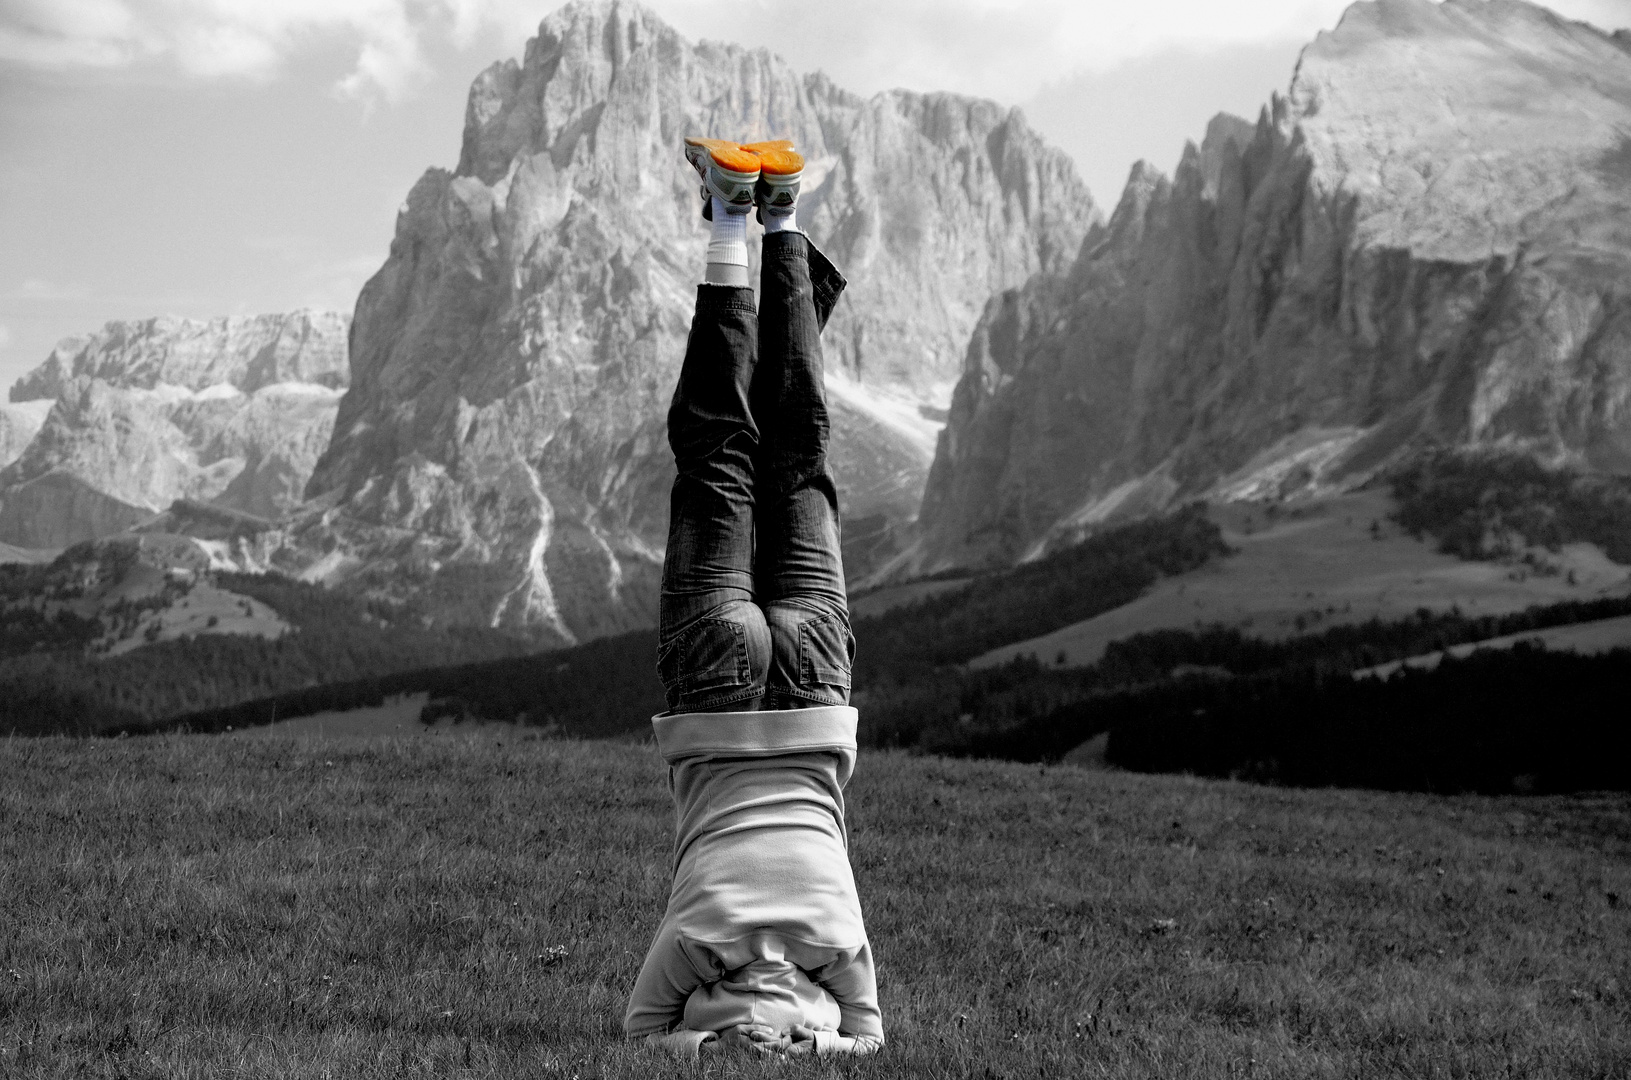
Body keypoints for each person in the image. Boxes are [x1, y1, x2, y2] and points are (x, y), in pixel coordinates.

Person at [621, 137, 884, 1058]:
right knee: (716, 454)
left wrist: (815, 1045)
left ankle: (780, 211)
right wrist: (710, 1046)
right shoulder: (692, 947)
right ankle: (738, 212)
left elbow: (870, 1037)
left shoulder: (839, 949)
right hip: (714, 700)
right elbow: (642, 1031)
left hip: (815, 701)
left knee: (799, 461)